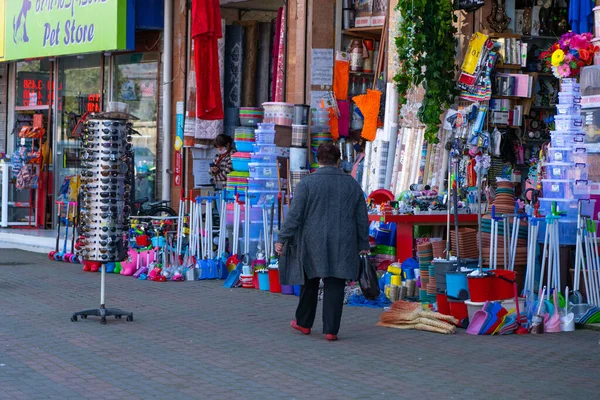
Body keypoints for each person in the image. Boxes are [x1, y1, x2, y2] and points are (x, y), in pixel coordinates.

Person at [275, 142, 370, 341]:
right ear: (338, 161)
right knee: (335, 282)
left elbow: (295, 216)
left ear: (318, 161)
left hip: (311, 241)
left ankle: (304, 323)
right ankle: (331, 330)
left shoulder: (307, 184)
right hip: (343, 242)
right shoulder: (351, 184)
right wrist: (363, 244)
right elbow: (362, 217)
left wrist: (282, 238)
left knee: (309, 280)